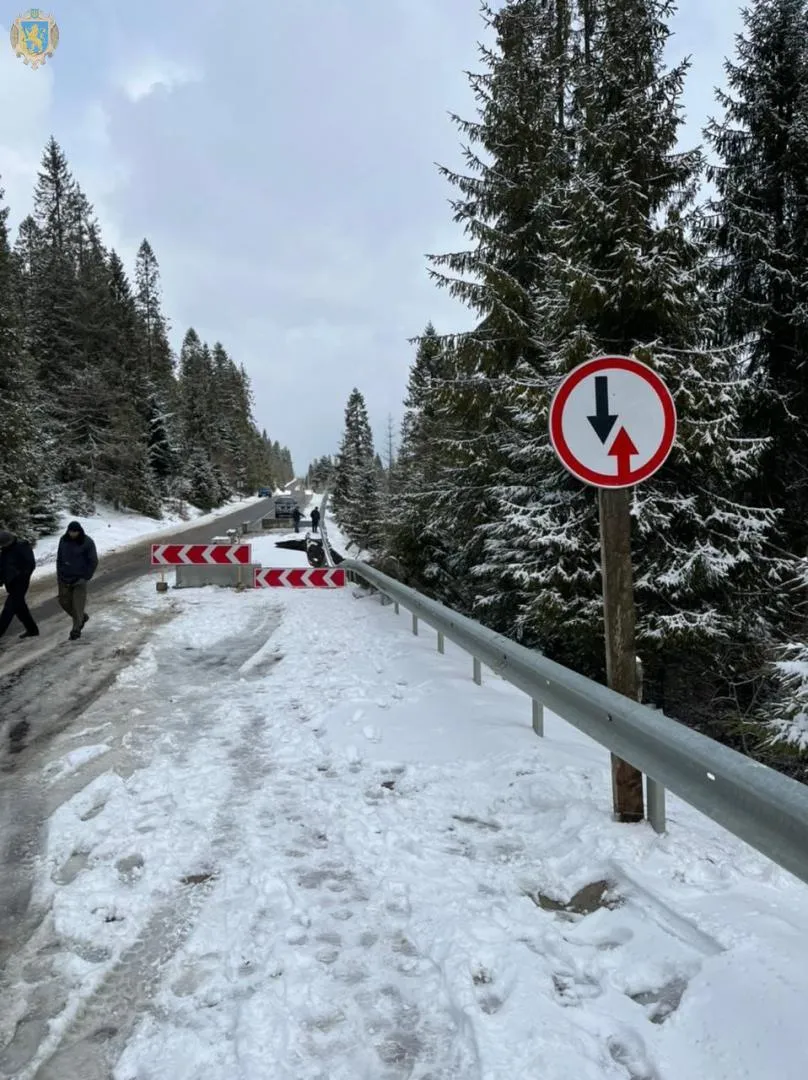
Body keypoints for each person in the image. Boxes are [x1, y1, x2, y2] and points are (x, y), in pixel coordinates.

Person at [56, 520, 98, 641]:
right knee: (64, 602)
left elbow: (93, 561)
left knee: (77, 605)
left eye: (75, 532)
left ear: (79, 531)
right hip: (64, 578)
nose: (72, 534)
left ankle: (76, 630)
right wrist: (59, 575)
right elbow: (59, 558)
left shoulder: (87, 542)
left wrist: (86, 576)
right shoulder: (63, 540)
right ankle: (82, 617)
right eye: (70, 531)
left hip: (79, 579)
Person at [0, 529, 39, 641]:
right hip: (10, 584)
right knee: (20, 608)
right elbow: (3, 568)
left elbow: (30, 564)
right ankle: (32, 630)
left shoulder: (22, 547)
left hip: (20, 583)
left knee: (8, 609)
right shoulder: (5, 551)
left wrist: (21, 575)